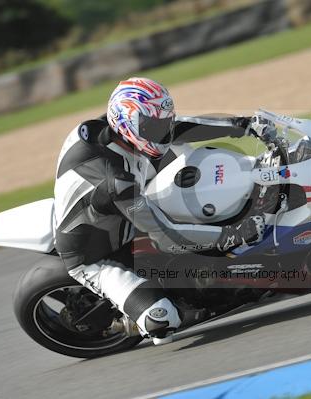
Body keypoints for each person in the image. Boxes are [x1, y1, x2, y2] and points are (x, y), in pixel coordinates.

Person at [53, 77, 267, 344]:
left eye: (163, 122)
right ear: (128, 124)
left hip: (118, 213)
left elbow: (180, 128)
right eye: (155, 126)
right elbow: (165, 235)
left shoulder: (113, 129)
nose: (163, 131)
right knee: (163, 322)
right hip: (96, 254)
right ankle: (125, 324)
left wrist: (243, 125)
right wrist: (233, 234)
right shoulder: (117, 181)